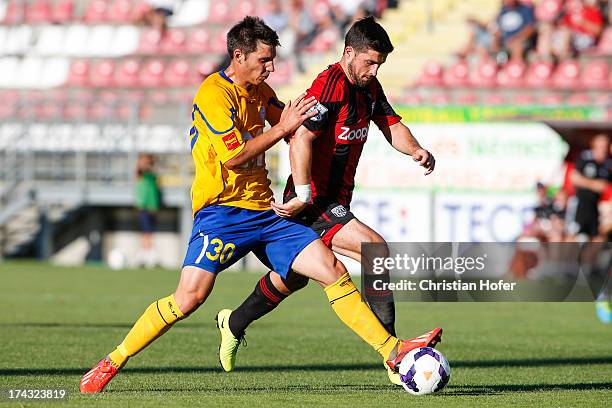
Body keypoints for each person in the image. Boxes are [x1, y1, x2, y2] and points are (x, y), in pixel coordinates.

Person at [79, 16, 442, 393]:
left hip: (267, 212)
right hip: (222, 213)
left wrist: (303, 126)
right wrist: (292, 141)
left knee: (331, 269)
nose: (271, 68)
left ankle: (392, 351)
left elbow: (293, 126)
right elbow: (235, 156)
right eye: (264, 61)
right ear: (239, 56)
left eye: (272, 61)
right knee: (189, 298)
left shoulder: (262, 91)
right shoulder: (213, 94)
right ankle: (114, 360)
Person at [215, 16, 436, 386]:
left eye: (379, 63)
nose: (374, 70)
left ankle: (234, 321)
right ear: (349, 53)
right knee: (375, 252)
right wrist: (303, 194)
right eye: (369, 62)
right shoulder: (328, 86)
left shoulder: (370, 88)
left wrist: (416, 150)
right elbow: (299, 138)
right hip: (312, 200)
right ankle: (394, 355)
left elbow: (391, 124)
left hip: (330, 200)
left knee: (292, 280)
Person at [570, 133, 611, 240]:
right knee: (576, 235)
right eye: (601, 146)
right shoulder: (585, 159)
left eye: (606, 146)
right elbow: (574, 177)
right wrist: (593, 184)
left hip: (598, 207)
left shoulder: (608, 164)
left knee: (599, 237)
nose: (604, 150)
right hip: (582, 205)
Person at [135, 154, 161, 268]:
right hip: (144, 208)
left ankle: (144, 257)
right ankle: (148, 257)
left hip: (152, 208)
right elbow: (139, 169)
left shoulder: (153, 177)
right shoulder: (142, 174)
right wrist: (144, 161)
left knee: (149, 233)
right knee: (147, 233)